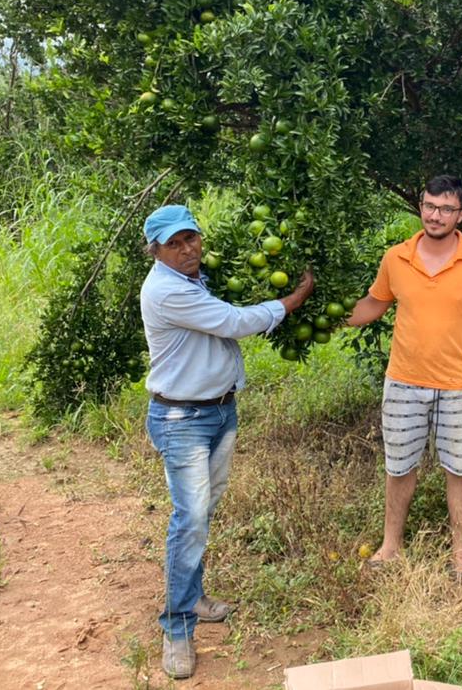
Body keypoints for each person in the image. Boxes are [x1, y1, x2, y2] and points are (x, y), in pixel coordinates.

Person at [140, 203, 314, 680]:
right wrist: (294, 299)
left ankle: (191, 596)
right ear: (155, 251)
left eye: (191, 238)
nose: (188, 248)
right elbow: (236, 323)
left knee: (203, 511)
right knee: (190, 519)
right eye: (174, 244)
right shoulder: (167, 290)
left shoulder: (194, 279)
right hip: (182, 419)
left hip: (218, 410)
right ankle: (177, 628)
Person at [345, 175, 462, 579]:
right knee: (398, 467)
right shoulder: (398, 257)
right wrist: (326, 317)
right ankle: (391, 546)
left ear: (461, 215)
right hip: (404, 381)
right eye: (429, 206)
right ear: (421, 207)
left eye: (446, 209)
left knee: (459, 469)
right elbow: (374, 304)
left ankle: (460, 554)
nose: (435, 215)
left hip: (459, 385)